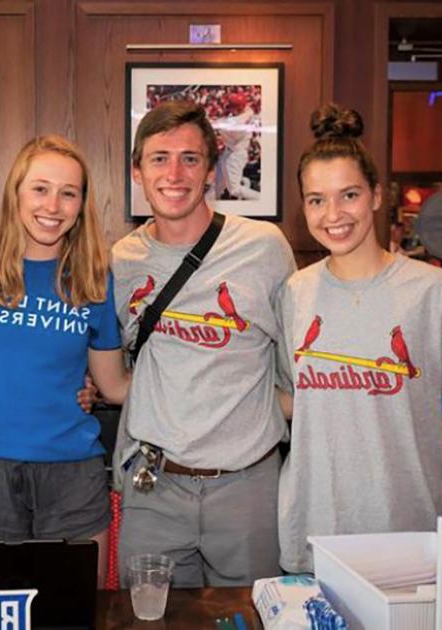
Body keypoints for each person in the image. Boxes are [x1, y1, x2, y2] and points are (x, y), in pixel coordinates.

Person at [277, 104, 442, 573]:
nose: (333, 214)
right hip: (315, 528)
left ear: (376, 196)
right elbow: (291, 400)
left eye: (348, 194)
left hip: (410, 530)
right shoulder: (295, 292)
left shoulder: (434, 291)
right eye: (316, 200)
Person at [112, 100, 295, 587]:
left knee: (251, 619)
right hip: (153, 487)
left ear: (212, 170)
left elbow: (295, 370)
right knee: (146, 623)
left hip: (247, 486)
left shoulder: (264, 248)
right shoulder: (121, 260)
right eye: (159, 158)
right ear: (137, 171)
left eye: (190, 158)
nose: (175, 173)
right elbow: (117, 363)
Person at [0, 135, 128, 585]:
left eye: (68, 193)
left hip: (73, 474)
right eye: (40, 188)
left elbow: (113, 386)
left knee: (74, 611)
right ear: (16, 192)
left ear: (81, 204)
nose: (53, 205)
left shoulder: (93, 277)